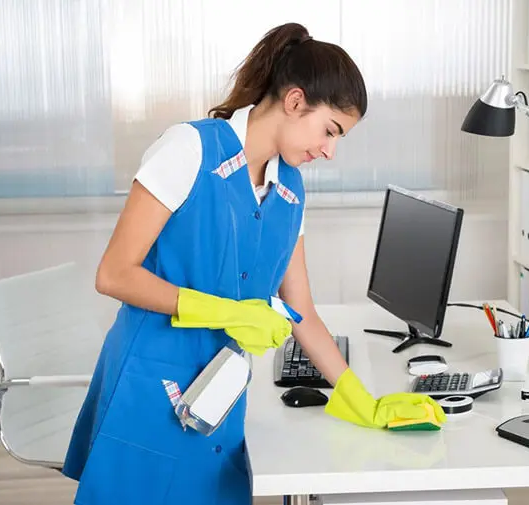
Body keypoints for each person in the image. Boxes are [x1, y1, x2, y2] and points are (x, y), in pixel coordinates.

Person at [61, 22, 445, 505]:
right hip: (149, 386)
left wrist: (359, 398)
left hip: (220, 396)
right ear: (294, 101)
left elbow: (300, 306)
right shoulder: (189, 150)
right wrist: (226, 312)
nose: (330, 150)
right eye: (330, 130)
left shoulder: (290, 191)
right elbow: (114, 274)